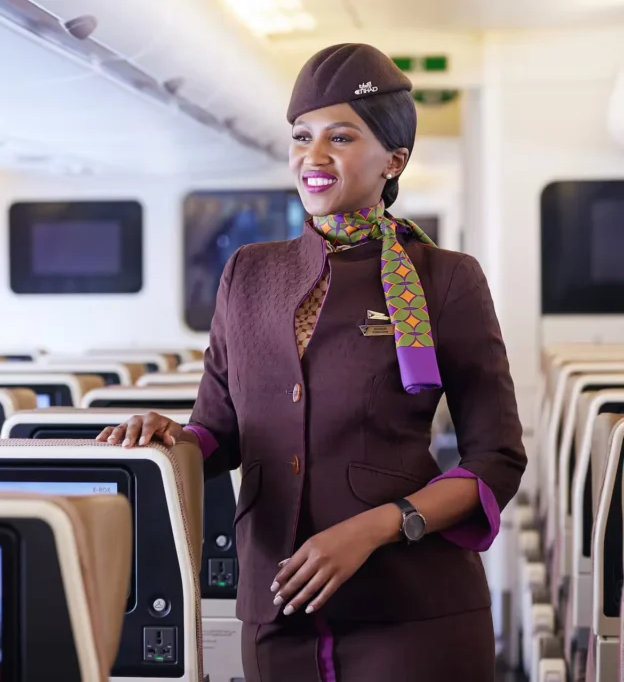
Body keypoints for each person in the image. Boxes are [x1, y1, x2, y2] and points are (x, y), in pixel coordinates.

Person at [98, 43, 526, 682]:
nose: (313, 156)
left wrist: (377, 528)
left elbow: (496, 460)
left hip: (409, 613)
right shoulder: (248, 272)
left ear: (394, 160)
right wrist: (172, 439)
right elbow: (220, 433)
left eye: (341, 137)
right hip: (278, 608)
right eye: (302, 136)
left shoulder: (444, 279)